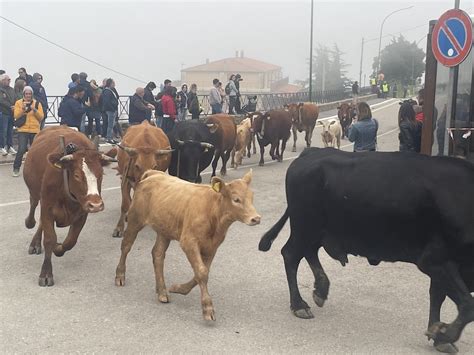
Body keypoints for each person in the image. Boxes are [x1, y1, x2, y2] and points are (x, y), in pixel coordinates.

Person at [12, 86, 44, 177]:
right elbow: (16, 116)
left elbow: (41, 117)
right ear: (23, 94)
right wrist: (23, 109)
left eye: (30, 94)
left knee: (35, 151)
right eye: (26, 94)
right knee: (21, 149)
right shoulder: (18, 103)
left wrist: (34, 110)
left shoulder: (37, 103)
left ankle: (36, 169)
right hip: (23, 129)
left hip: (34, 130)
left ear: (32, 94)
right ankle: (16, 168)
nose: (28, 96)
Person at [0, 74, 17, 156]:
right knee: (3, 130)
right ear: (2, 80)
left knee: (10, 131)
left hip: (11, 113)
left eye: (10, 79)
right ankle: (2, 147)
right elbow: (2, 101)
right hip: (3, 112)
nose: (9, 81)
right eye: (8, 79)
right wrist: (10, 106)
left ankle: (10, 146)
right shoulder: (0, 89)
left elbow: (15, 98)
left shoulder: (11, 89)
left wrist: (15, 106)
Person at [101, 78, 120, 144]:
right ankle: (109, 138)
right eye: (113, 83)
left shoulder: (110, 90)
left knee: (112, 124)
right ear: (110, 83)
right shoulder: (107, 91)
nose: (114, 84)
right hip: (110, 110)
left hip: (112, 110)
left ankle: (110, 137)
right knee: (110, 125)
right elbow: (107, 102)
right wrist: (112, 108)